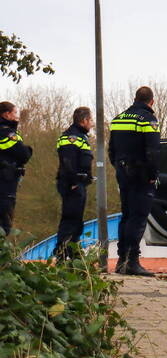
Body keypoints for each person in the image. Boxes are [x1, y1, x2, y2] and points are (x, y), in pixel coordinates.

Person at [109, 87, 160, 275]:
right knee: (138, 218)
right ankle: (132, 261)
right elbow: (153, 151)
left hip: (123, 173)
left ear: (135, 98)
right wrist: (152, 175)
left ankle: (121, 260)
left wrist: (119, 167)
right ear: (151, 101)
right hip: (141, 175)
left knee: (126, 215)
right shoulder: (148, 119)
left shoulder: (118, 119)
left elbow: (111, 150)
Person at [54, 107, 95, 259]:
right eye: (90, 120)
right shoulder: (72, 137)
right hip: (73, 184)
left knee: (76, 221)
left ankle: (73, 253)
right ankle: (63, 254)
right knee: (70, 220)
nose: (92, 124)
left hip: (78, 184)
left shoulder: (80, 136)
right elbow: (68, 161)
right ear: (84, 121)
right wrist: (73, 182)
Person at [0, 101, 32, 237]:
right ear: (7, 114)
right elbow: (23, 154)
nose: (17, 116)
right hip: (5, 184)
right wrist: (29, 149)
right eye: (15, 113)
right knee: (4, 225)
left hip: (7, 183)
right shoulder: (6, 132)